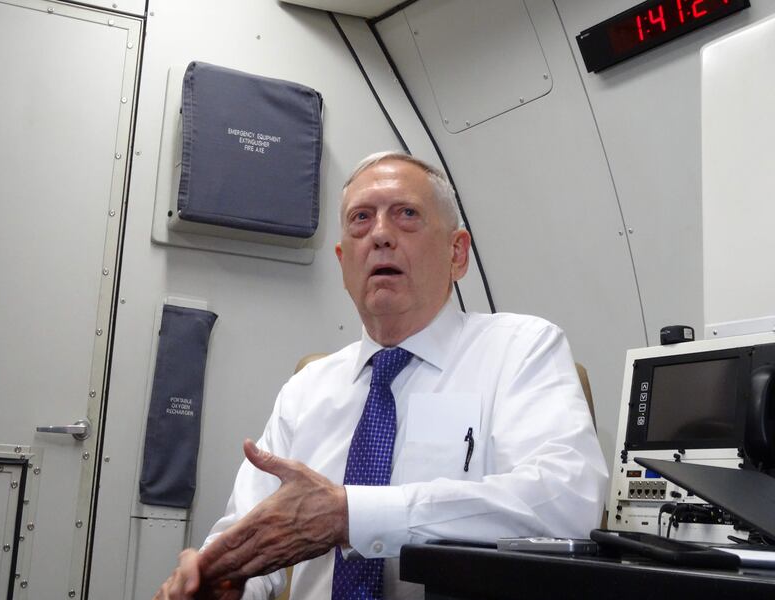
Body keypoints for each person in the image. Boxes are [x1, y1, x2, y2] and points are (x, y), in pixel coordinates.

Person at [155, 152, 608, 600]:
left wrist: (353, 516)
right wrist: (220, 579)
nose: (380, 235)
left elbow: (566, 501)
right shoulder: (307, 389)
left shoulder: (521, 349)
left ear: (458, 253)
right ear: (343, 262)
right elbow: (248, 534)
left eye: (406, 214)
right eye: (361, 219)